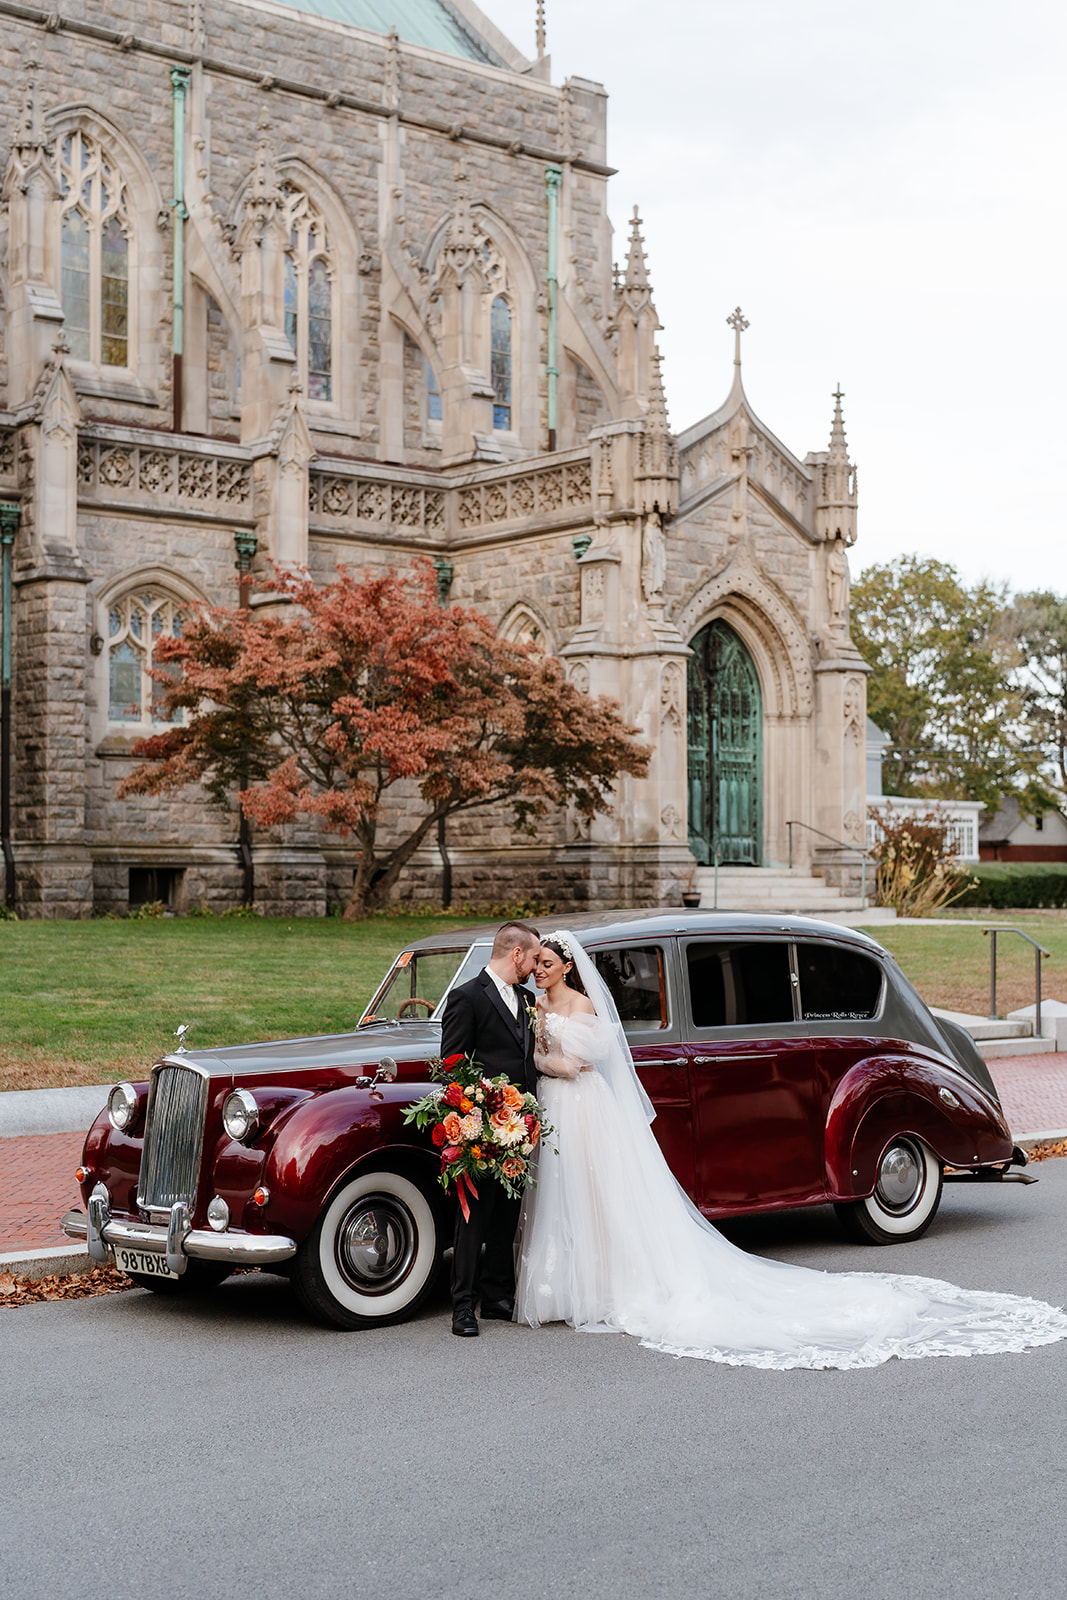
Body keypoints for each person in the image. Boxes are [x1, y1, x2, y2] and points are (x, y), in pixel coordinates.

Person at [515, 930, 1067, 1370]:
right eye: (534, 963)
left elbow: (579, 1058)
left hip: (576, 1095)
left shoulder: (581, 1005)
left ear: (566, 965)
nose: (539, 970)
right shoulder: (540, 1005)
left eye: (545, 962)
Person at [439, 919, 541, 1337]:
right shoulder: (467, 997)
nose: (536, 967)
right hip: (479, 1128)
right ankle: (463, 1306)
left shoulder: (528, 999)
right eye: (534, 958)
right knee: (473, 1219)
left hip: (518, 1128)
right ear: (516, 953)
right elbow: (452, 1066)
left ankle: (497, 1296)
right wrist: (476, 1114)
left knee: (507, 1213)